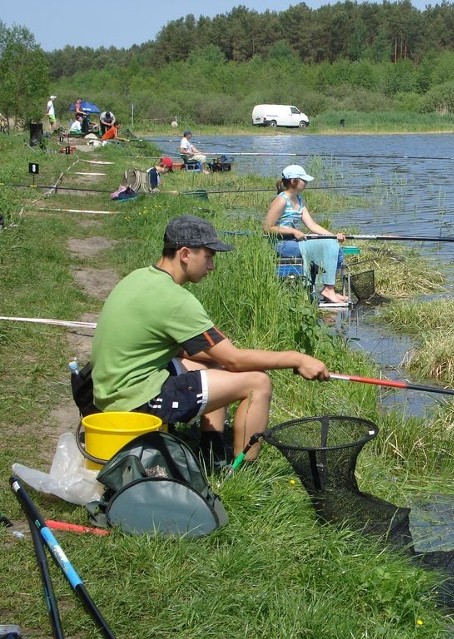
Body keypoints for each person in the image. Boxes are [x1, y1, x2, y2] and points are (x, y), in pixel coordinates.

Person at [91, 215, 331, 466]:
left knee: (218, 367)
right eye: (208, 257)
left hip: (108, 390)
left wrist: (224, 358)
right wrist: (297, 358)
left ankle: (213, 454)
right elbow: (235, 360)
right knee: (258, 383)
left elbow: (194, 352)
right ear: (185, 254)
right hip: (135, 400)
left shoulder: (140, 277)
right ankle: (243, 471)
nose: (212, 266)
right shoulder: (175, 300)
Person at [263, 165, 349, 304]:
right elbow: (267, 228)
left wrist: (333, 236)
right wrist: (292, 231)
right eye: (304, 180)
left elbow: (312, 225)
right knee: (328, 246)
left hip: (294, 242)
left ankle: (328, 289)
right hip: (281, 244)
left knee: (335, 247)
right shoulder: (281, 200)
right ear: (293, 181)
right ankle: (328, 290)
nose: (306, 183)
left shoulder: (299, 199)